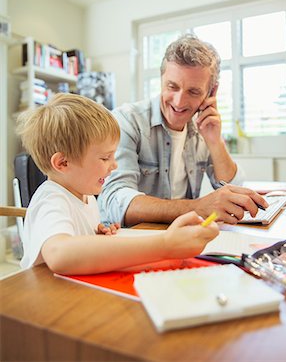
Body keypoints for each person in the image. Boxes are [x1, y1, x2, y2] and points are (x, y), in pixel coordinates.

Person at [16, 93, 218, 275]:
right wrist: (165, 245)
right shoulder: (52, 199)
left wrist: (96, 236)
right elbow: (59, 254)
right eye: (105, 158)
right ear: (63, 163)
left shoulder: (85, 196)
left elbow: (77, 243)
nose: (114, 165)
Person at [99, 34, 268, 227]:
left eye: (194, 91)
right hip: (131, 239)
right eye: (172, 86)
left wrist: (215, 141)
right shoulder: (126, 121)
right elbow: (115, 202)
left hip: (179, 236)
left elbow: (236, 191)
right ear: (161, 79)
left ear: (211, 91)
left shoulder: (203, 125)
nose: (179, 102)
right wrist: (198, 207)